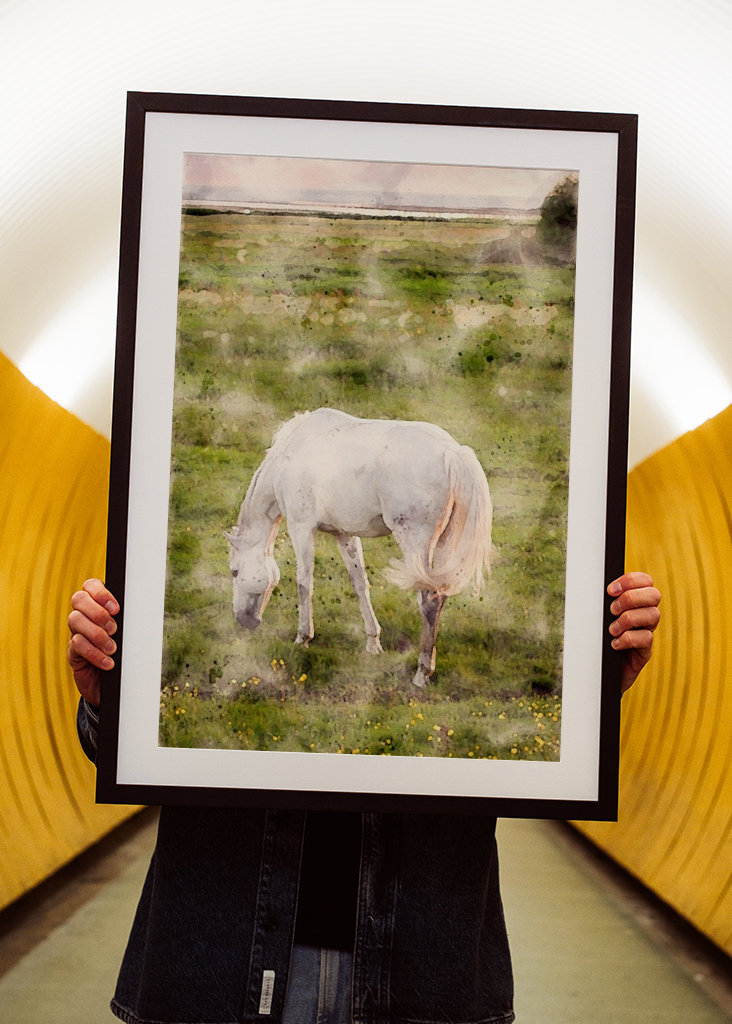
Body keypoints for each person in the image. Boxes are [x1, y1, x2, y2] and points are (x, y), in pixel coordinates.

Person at [68, 572, 661, 1024]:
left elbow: (532, 749)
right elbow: (127, 750)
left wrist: (588, 694)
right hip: (221, 960)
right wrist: (110, 702)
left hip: (422, 967)